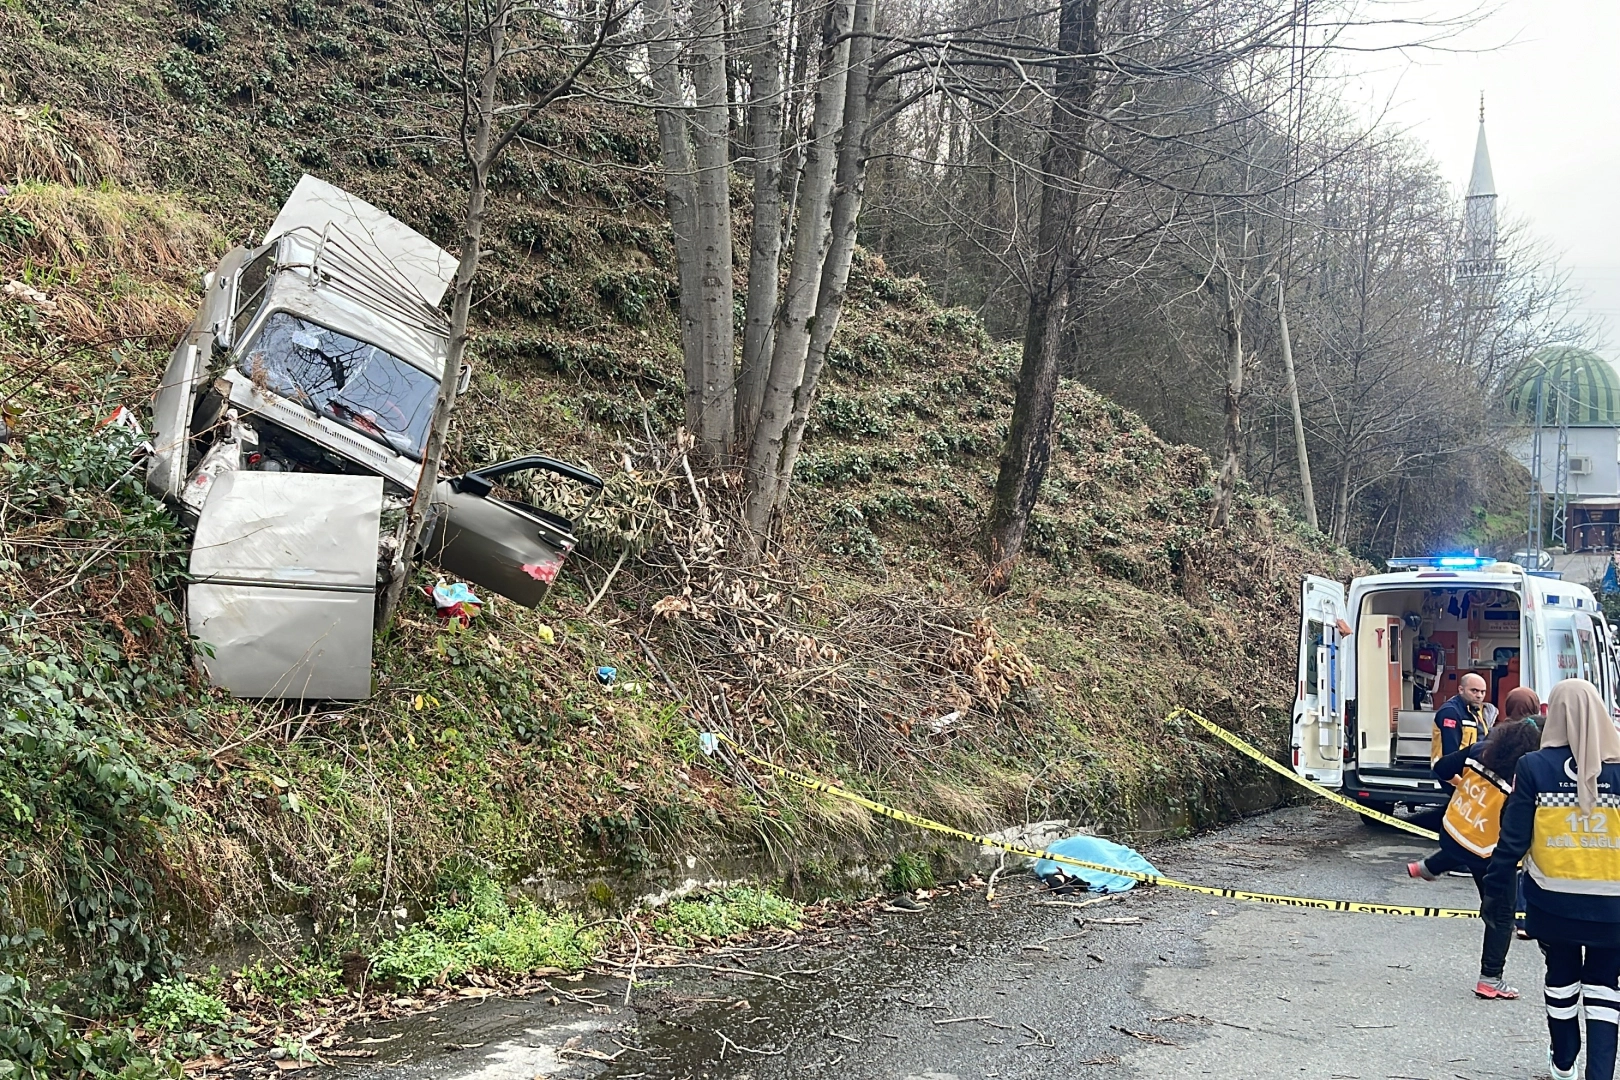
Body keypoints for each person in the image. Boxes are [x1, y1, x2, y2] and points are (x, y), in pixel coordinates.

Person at [1484, 679, 1620, 1080]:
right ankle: (1600, 1073)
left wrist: (1496, 890)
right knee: (1605, 985)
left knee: (1561, 976)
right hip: (1614, 907)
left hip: (1552, 902)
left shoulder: (1534, 767)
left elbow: (1512, 841)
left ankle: (1563, 1061)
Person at [1407, 717, 1543, 998]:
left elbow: (1442, 767)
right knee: (1501, 915)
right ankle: (1491, 979)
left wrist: (1464, 789)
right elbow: (1515, 828)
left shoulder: (1479, 750)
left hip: (1458, 830)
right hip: (1490, 851)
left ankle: (1429, 867)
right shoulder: (1524, 775)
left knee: (1466, 860)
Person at [1433, 672, 1490, 762]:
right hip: (1450, 772)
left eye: (1483, 692)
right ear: (1461, 690)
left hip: (1470, 770)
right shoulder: (1450, 712)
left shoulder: (1475, 710)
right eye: (1474, 691)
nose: (1479, 696)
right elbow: (1450, 752)